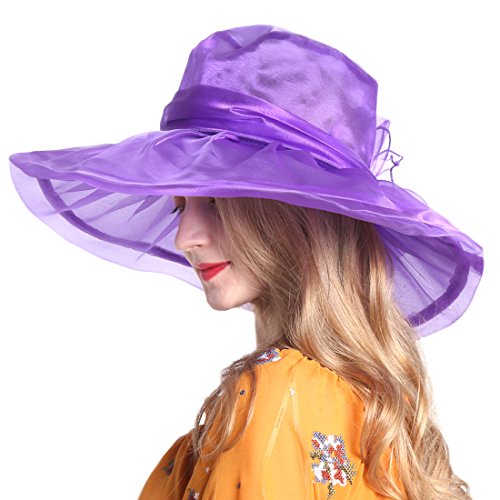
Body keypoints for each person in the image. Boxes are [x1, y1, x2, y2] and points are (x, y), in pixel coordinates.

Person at [8, 25, 483, 499]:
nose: (185, 237)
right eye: (179, 207)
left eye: (217, 202)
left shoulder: (273, 399)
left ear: (294, 214)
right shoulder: (381, 422)